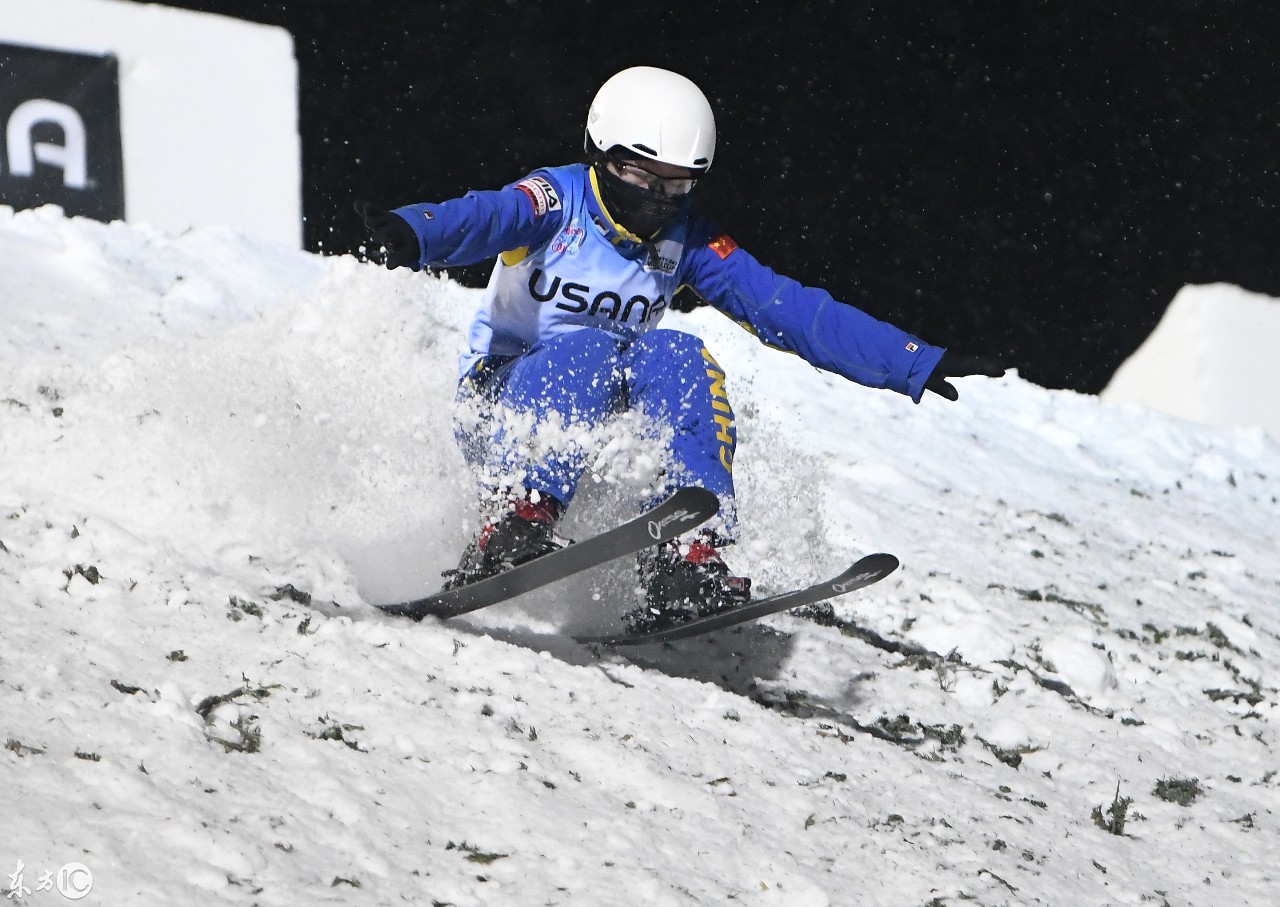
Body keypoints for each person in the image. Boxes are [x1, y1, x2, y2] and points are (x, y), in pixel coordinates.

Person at [356, 65, 1004, 631]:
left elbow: (787, 307)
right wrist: (416, 232)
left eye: (675, 186)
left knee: (680, 356)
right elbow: (487, 215)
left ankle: (686, 557)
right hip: (503, 408)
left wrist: (913, 358)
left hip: (602, 426)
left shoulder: (687, 238)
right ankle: (518, 515)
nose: (654, 200)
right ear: (602, 154)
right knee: (587, 347)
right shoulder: (557, 199)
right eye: (640, 176)